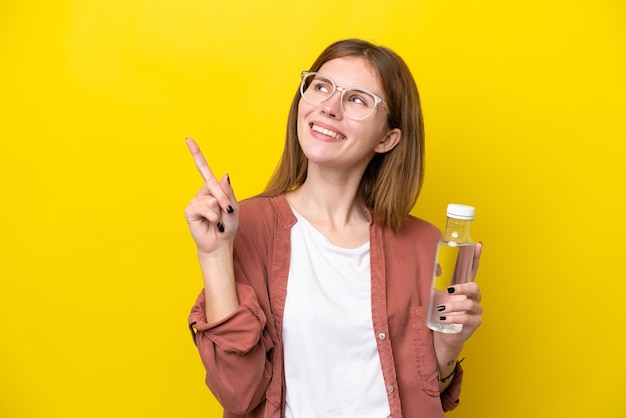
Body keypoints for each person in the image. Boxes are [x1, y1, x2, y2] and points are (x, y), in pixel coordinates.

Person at [185, 38, 483, 418]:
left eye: (357, 99)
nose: (329, 107)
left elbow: (426, 394)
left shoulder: (426, 245)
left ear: (387, 138)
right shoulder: (245, 227)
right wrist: (213, 254)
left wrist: (448, 349)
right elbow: (238, 395)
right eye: (321, 87)